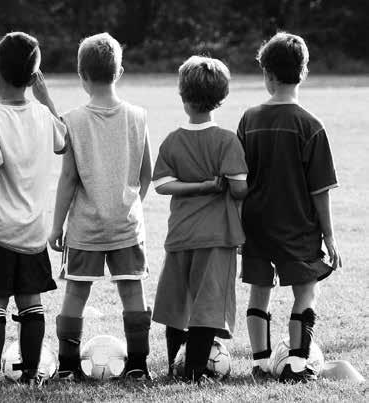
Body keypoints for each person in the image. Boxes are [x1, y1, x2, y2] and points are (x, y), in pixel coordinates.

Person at [0, 32, 67, 389]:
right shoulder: (41, 115)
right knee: (30, 302)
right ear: (34, 76)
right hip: (33, 232)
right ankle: (33, 373)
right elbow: (63, 138)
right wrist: (46, 96)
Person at [48, 33, 153, 381]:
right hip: (126, 223)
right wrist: (134, 206)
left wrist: (56, 225)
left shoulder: (72, 120)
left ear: (81, 75)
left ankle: (66, 367)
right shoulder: (138, 116)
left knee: (77, 290)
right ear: (119, 71)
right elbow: (146, 171)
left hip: (86, 226)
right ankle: (139, 365)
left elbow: (68, 179)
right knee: (132, 290)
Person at [239, 32, 341, 383]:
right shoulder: (311, 125)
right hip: (298, 226)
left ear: (267, 74)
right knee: (306, 291)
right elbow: (320, 190)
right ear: (304, 71)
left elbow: (240, 180)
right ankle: (298, 365)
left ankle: (260, 362)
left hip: (255, 226)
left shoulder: (248, 120)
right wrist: (329, 236)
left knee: (259, 289)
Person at [151, 56, 248, 383]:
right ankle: (193, 371)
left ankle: (173, 367)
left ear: (182, 94)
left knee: (177, 302)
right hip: (217, 237)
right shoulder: (226, 141)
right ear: (221, 98)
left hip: (180, 235)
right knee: (207, 306)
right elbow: (237, 189)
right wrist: (222, 185)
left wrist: (194, 186)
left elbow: (162, 186)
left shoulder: (173, 140)